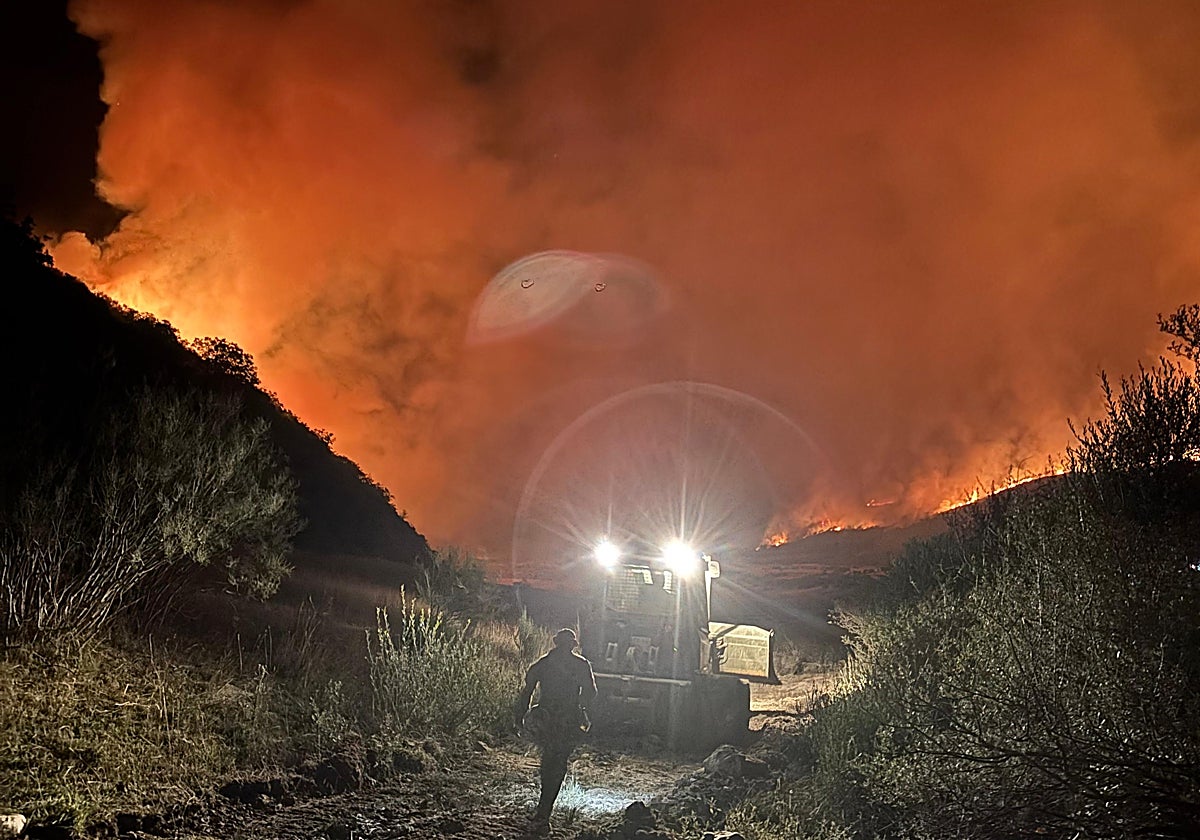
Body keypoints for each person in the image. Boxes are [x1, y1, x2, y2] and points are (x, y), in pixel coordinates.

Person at [515, 627, 598, 824]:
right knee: (558, 762)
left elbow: (526, 692)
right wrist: (582, 710)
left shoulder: (543, 664)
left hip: (548, 719)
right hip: (567, 720)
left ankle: (544, 809)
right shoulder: (581, 665)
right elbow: (591, 693)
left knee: (549, 761)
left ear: (556, 643)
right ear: (572, 645)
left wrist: (519, 718)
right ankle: (545, 809)